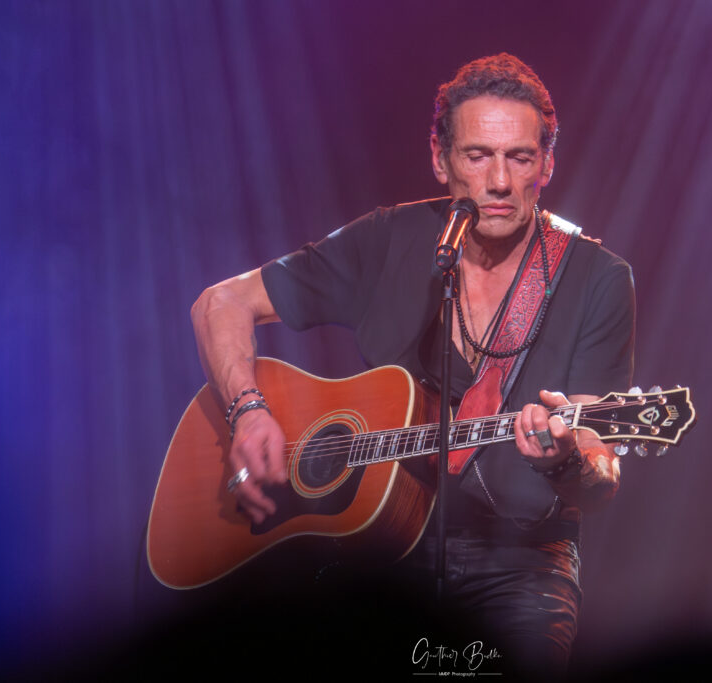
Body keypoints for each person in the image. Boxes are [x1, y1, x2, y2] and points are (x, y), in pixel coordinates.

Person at [190, 53, 635, 679]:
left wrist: (564, 458)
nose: (499, 182)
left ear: (547, 165)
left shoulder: (598, 279)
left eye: (520, 158)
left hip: (520, 566)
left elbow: (601, 475)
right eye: (477, 156)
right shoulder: (389, 239)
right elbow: (220, 304)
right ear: (440, 158)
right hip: (373, 553)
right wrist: (248, 411)